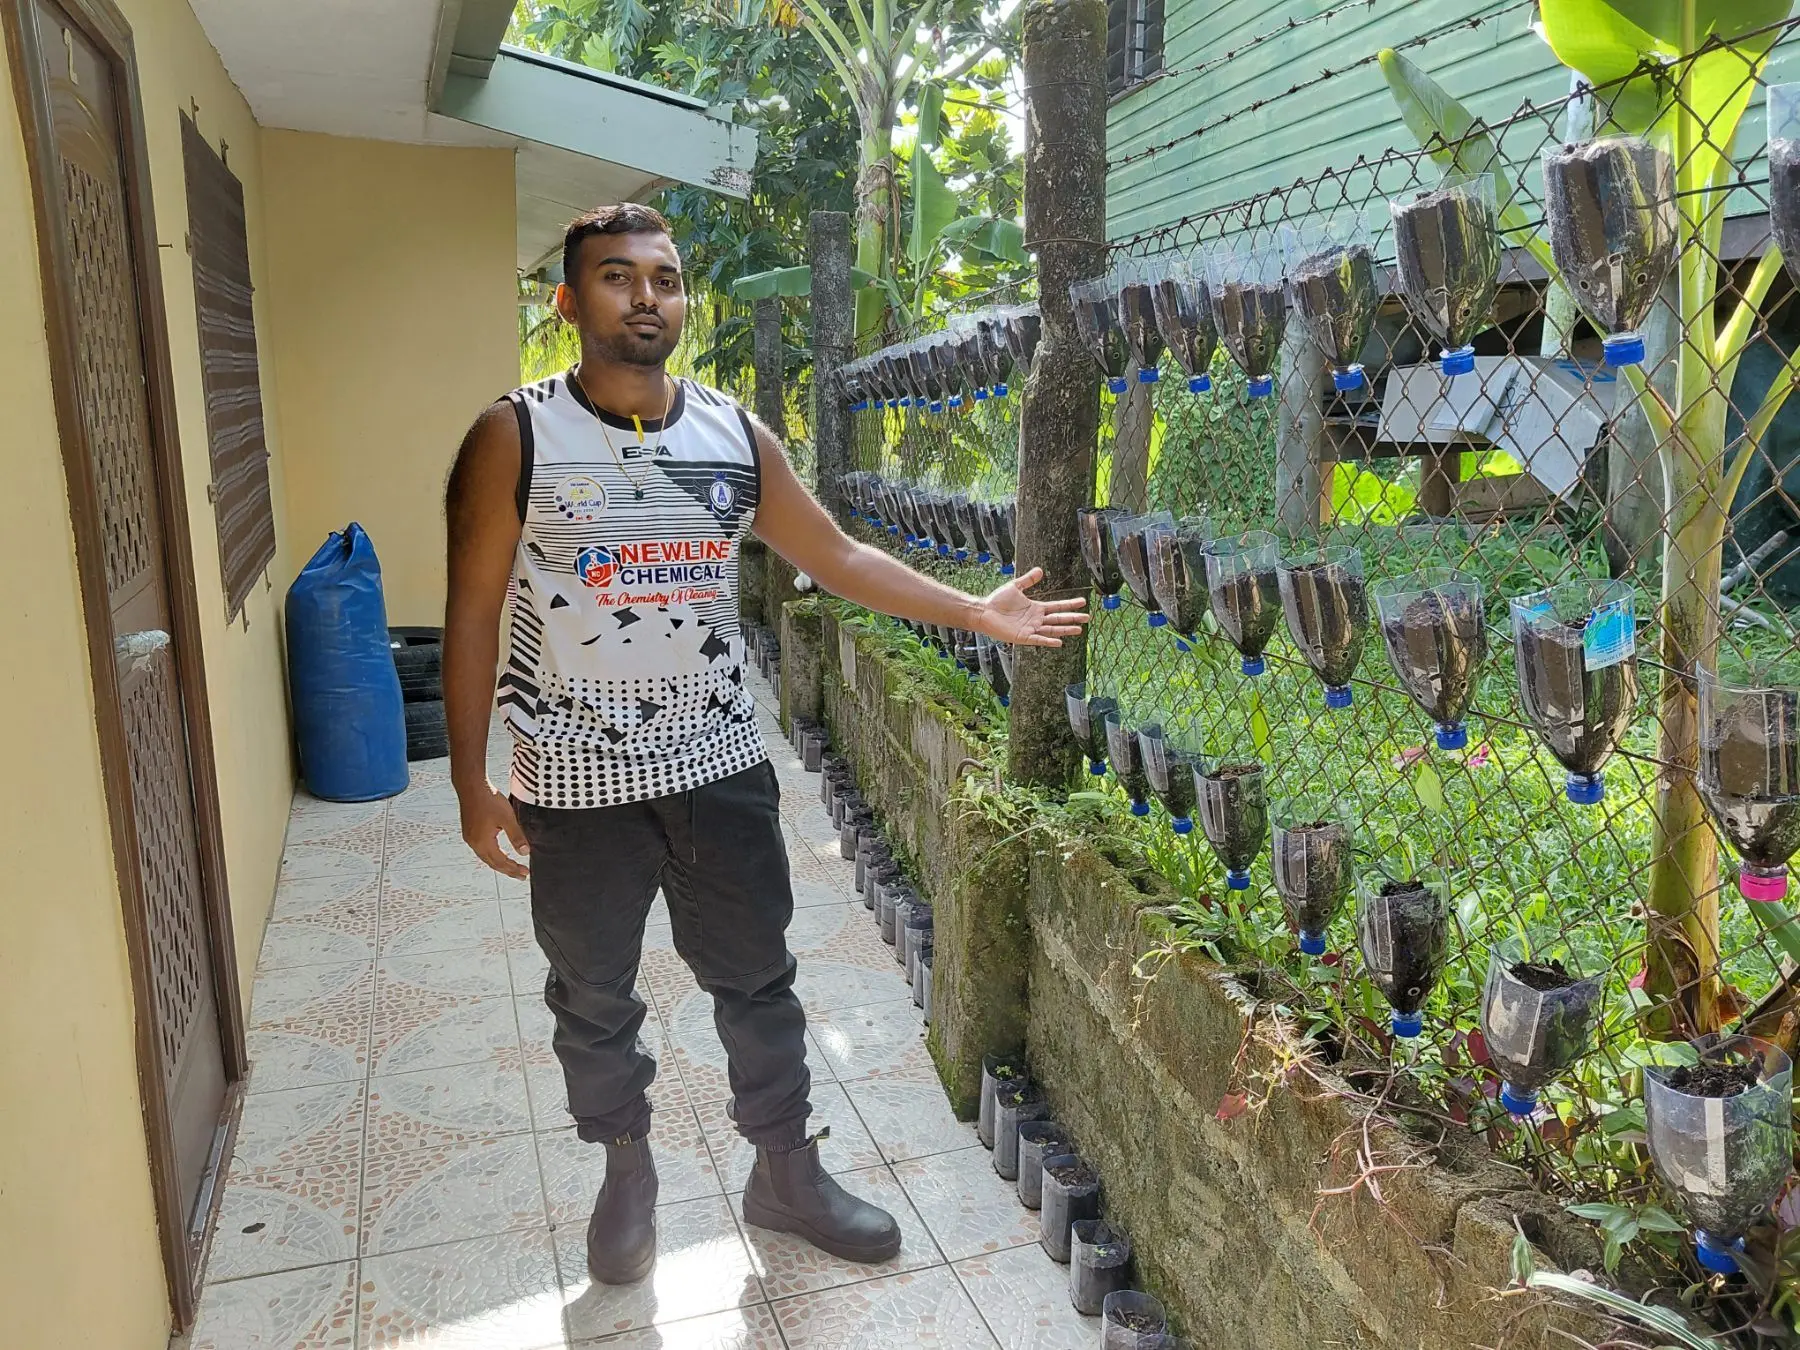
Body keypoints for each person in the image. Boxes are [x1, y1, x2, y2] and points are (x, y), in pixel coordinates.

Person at [443, 202, 1087, 1285]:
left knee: (758, 981)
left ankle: (784, 1172)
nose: (647, 294)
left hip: (717, 768)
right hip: (576, 781)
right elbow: (467, 610)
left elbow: (833, 554)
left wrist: (974, 612)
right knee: (593, 992)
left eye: (664, 276)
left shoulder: (732, 436)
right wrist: (472, 778)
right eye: (616, 276)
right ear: (568, 302)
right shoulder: (516, 434)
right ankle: (627, 1170)